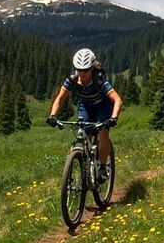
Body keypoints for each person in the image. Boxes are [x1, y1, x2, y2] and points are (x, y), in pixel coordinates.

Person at [46, 48, 122, 181]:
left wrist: (113, 118)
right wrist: (52, 115)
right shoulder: (72, 79)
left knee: (103, 132)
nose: (82, 73)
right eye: (78, 69)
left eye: (86, 70)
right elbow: (60, 98)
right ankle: (86, 164)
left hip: (103, 105)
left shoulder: (99, 79)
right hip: (86, 105)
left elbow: (117, 100)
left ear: (92, 68)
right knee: (85, 133)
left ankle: (103, 167)